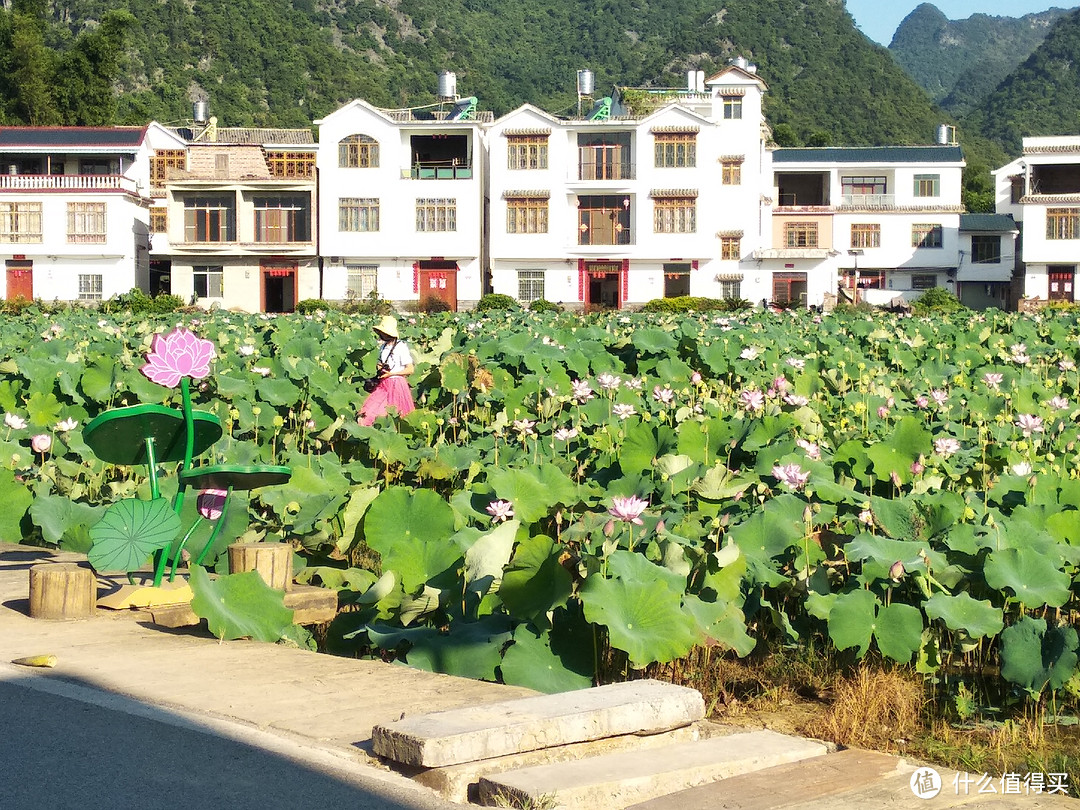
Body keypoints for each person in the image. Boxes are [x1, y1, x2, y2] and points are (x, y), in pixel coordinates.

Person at [358, 315, 415, 425]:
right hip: (383, 383)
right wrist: (380, 369)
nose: (381, 334)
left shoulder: (400, 347)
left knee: (398, 415)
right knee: (370, 411)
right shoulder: (383, 347)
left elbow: (410, 369)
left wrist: (391, 373)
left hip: (397, 384)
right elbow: (379, 363)